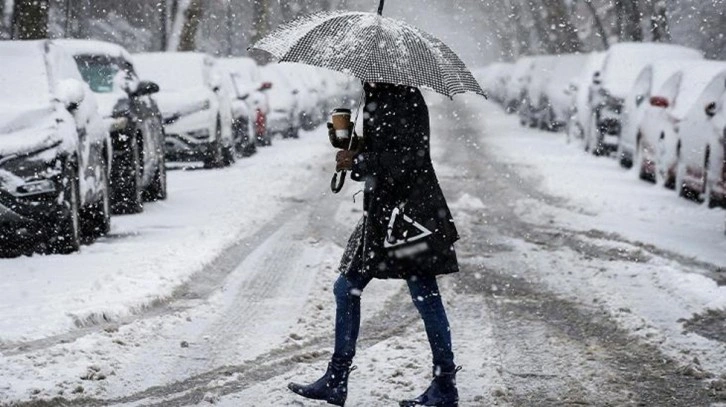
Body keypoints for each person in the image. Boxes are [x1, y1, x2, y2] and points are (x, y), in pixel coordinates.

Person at [288, 82, 461, 407]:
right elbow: (388, 148)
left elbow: (410, 157)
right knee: (346, 288)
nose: (356, 72)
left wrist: (361, 161)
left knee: (425, 296)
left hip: (410, 218)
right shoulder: (378, 94)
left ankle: (445, 385)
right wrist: (351, 143)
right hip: (384, 213)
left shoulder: (403, 96)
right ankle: (337, 380)